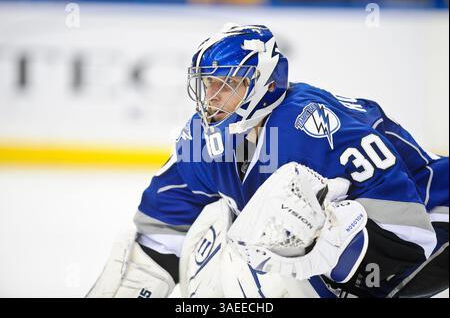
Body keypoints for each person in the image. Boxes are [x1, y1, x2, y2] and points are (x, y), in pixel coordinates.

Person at [87, 24, 448, 298]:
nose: (212, 97)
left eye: (227, 85)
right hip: (390, 248)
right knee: (224, 225)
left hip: (436, 224)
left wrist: (327, 247)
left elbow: (411, 236)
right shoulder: (202, 137)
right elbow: (163, 230)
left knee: (280, 214)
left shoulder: (308, 123)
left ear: (268, 84)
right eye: (208, 84)